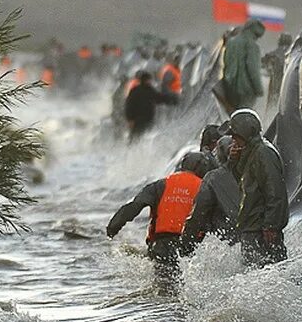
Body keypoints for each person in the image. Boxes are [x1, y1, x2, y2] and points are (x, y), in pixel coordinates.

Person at [105, 152, 210, 294]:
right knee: (186, 286)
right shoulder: (205, 187)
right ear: (202, 168)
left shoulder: (160, 185)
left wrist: (113, 227)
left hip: (162, 244)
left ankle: (162, 310)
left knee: (163, 286)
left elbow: (134, 206)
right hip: (191, 245)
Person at [228, 108, 289, 267]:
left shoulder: (264, 153)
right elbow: (244, 183)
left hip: (261, 231)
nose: (233, 140)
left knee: (269, 274)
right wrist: (235, 160)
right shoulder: (252, 152)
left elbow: (275, 192)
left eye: (235, 135)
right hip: (253, 228)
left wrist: (271, 226)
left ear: (244, 133)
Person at [181, 136, 242, 253]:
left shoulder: (212, 178)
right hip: (257, 233)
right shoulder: (253, 170)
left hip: (228, 242)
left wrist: (186, 245)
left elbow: (199, 214)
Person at [220, 19, 266, 114]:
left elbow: (225, 63)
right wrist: (258, 89)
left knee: (233, 115)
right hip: (246, 89)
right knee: (244, 116)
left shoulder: (231, 43)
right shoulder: (252, 45)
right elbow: (253, 68)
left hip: (230, 86)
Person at [122, 71, 176, 140]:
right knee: (137, 137)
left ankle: (135, 148)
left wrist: (172, 100)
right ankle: (134, 149)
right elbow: (129, 104)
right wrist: (130, 119)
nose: (150, 82)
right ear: (146, 80)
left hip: (145, 119)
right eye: (149, 80)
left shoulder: (139, 90)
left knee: (139, 137)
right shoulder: (141, 91)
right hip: (140, 119)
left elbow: (158, 98)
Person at [261, 32, 293, 111]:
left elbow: (262, 65)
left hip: (275, 83)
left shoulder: (272, 54)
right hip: (288, 84)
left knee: (272, 105)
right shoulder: (293, 54)